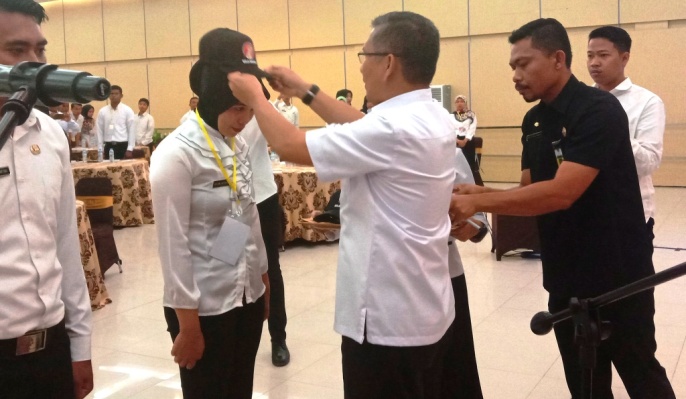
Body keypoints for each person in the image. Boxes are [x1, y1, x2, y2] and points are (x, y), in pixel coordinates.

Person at [229, 11, 458, 398]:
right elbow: (359, 125)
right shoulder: (429, 114)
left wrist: (254, 96)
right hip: (422, 307)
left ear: (388, 63)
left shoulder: (393, 128)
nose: (362, 66)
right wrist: (305, 89)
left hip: (387, 321)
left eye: (364, 55)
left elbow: (290, 146)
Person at [449, 18, 675, 399]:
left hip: (618, 275)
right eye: (512, 67)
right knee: (584, 384)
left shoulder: (598, 111)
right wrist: (478, 189)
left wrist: (476, 201)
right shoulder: (534, 119)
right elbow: (530, 190)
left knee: (641, 374)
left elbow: (561, 194)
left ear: (557, 59)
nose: (516, 75)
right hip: (565, 275)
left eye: (524, 63)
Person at [150, 28, 271, 399]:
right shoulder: (176, 154)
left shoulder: (238, 141)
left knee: (240, 390)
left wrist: (262, 280)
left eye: (251, 109)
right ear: (213, 97)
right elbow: (173, 246)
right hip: (203, 310)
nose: (246, 119)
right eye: (238, 108)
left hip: (244, 297)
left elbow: (248, 216)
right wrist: (187, 325)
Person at [0, 1, 93, 398]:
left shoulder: (51, 135)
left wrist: (80, 345)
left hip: (49, 350)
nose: (35, 65)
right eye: (17, 51)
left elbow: (65, 248)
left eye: (40, 50)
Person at [587, 26, 665, 242]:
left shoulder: (647, 102)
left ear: (624, 58)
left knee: (633, 277)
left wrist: (612, 132)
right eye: (590, 55)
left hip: (629, 213)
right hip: (585, 212)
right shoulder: (581, 101)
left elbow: (649, 162)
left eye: (603, 55)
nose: (594, 62)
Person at [239, 118, 291, 367]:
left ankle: (278, 338)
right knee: (227, 261)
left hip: (263, 198)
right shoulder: (202, 119)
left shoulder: (258, 113)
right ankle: (232, 335)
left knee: (270, 268)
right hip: (232, 204)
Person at [96, 84, 135, 159]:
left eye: (116, 94)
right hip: (108, 145)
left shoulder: (127, 110)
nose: (114, 96)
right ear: (108, 95)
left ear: (121, 96)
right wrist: (100, 148)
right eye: (111, 94)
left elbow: (131, 130)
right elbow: (99, 130)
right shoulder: (103, 111)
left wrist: (130, 148)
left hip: (123, 145)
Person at [451, 95, 481, 185]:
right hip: (455, 140)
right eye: (458, 101)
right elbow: (449, 129)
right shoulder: (451, 116)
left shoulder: (471, 115)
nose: (460, 103)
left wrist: (465, 140)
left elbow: (472, 128)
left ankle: (471, 184)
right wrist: (456, 140)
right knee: (455, 163)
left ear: (465, 103)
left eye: (462, 101)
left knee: (469, 163)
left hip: (468, 141)